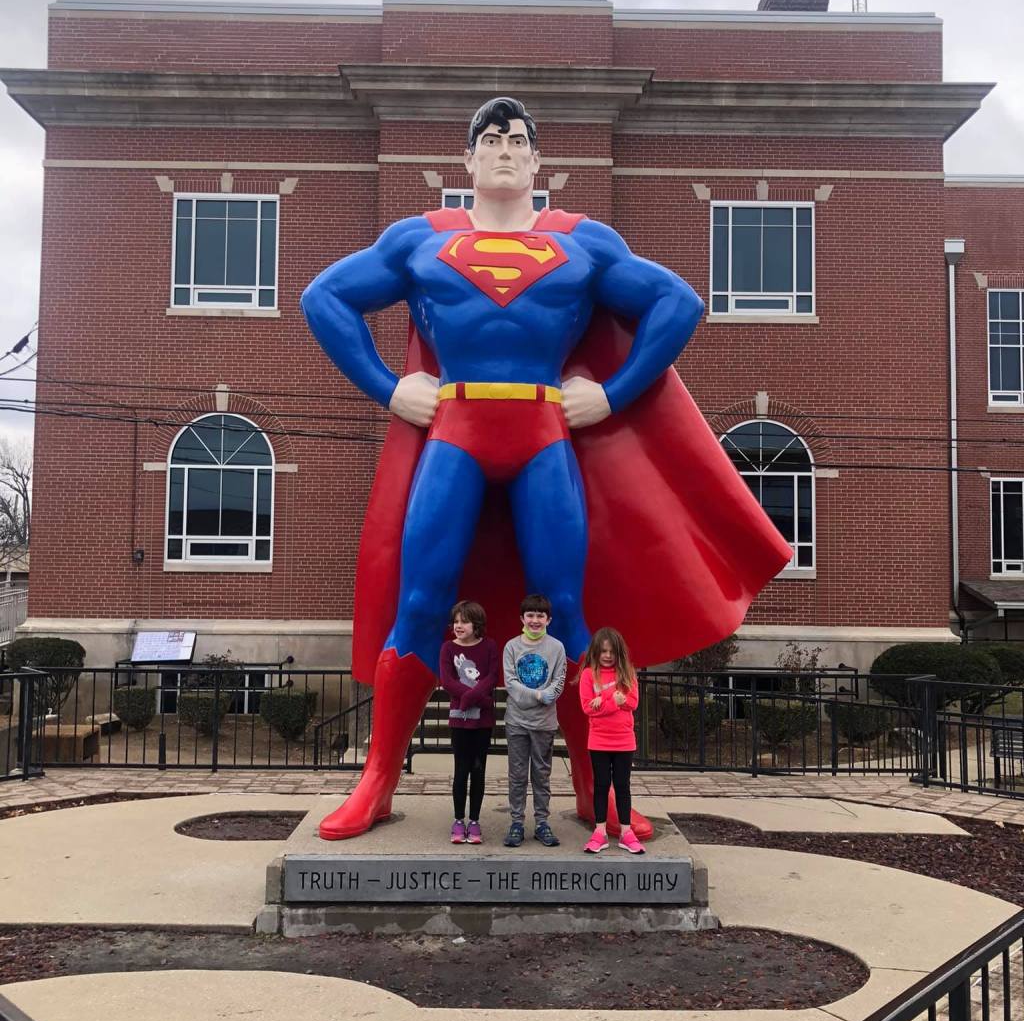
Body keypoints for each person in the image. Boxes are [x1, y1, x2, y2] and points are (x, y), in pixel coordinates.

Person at [302, 95, 791, 841]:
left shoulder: (582, 242)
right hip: (456, 430)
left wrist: (615, 393)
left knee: (565, 607)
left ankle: (594, 783)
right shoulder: (419, 240)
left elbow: (676, 302)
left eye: (517, 139)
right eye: (489, 138)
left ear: (537, 161)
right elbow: (324, 297)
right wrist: (387, 386)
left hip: (542, 432)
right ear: (467, 160)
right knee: (422, 598)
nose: (503, 148)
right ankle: (377, 779)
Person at [502, 594, 566, 848]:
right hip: (517, 722)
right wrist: (538, 695)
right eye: (530, 615)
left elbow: (558, 682)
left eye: (540, 616)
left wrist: (545, 696)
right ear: (522, 618)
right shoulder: (512, 647)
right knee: (517, 774)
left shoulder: (557, 648)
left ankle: (542, 823)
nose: (535, 620)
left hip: (544, 723)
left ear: (548, 619)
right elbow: (511, 683)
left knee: (541, 774)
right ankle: (516, 822)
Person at [438, 600, 499, 844]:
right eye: (456, 621)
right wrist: (478, 700)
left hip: (482, 722)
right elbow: (447, 681)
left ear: (477, 624)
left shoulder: (490, 646)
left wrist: (470, 699)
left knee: (478, 769)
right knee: (461, 770)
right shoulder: (447, 649)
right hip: (459, 720)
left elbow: (492, 677)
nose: (459, 626)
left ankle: (474, 821)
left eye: (464, 621)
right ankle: (458, 820)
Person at [578, 628, 643, 855]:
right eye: (603, 651)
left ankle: (626, 832)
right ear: (595, 652)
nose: (607, 656)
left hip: (624, 740)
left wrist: (602, 701)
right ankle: (600, 831)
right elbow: (587, 707)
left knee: (623, 786)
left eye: (612, 652)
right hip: (599, 741)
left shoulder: (627, 673)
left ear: (619, 653)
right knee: (602, 786)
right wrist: (614, 701)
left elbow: (633, 702)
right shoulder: (588, 675)